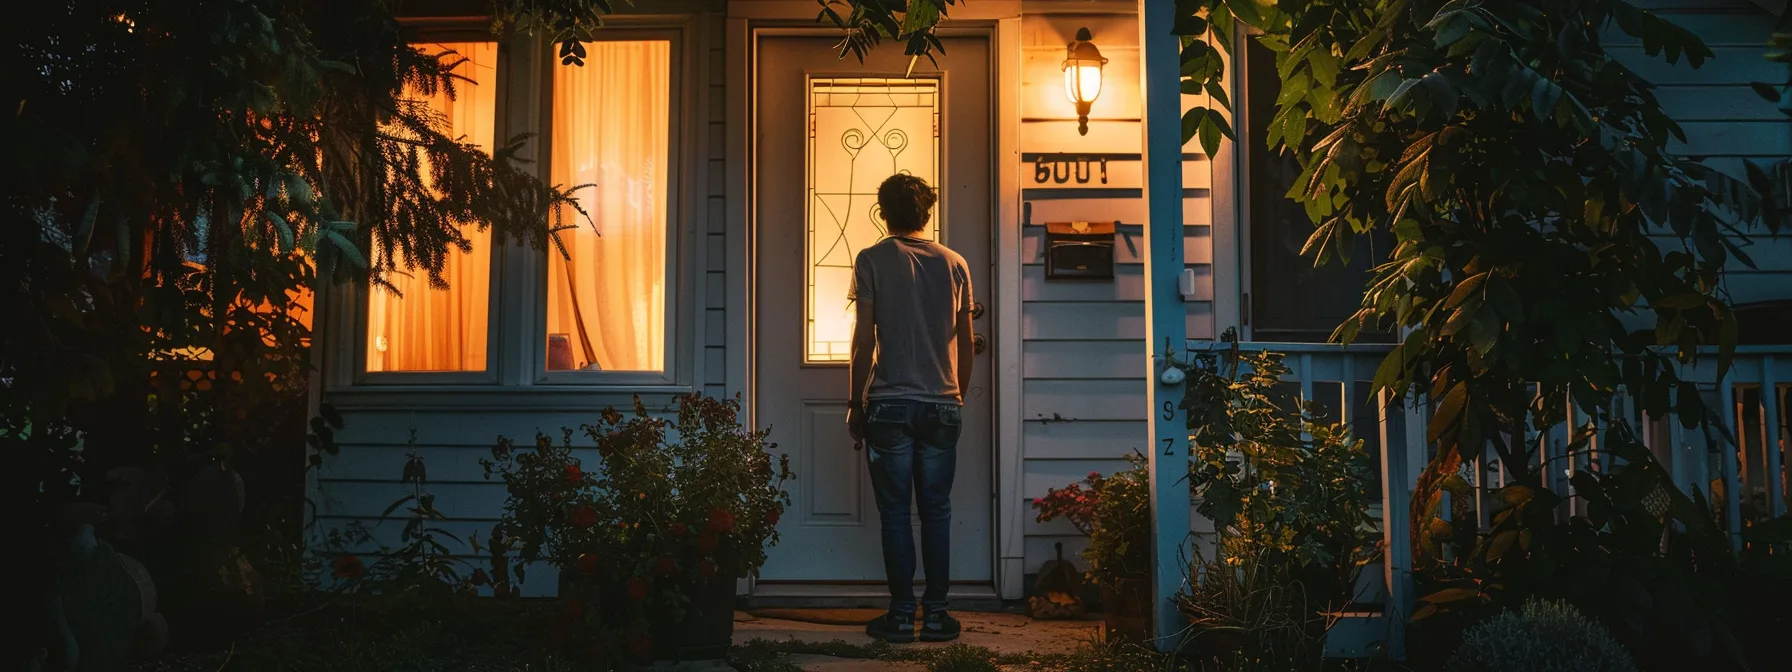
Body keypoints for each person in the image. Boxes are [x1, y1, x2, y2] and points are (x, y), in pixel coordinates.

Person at [847, 174, 973, 644]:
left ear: (883, 213)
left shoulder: (871, 260)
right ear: (927, 213)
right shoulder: (955, 263)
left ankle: (901, 616)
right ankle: (937, 616)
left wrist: (854, 403)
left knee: (896, 514)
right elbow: (965, 340)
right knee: (936, 511)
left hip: (889, 406)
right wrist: (956, 393)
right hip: (941, 404)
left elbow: (864, 340)